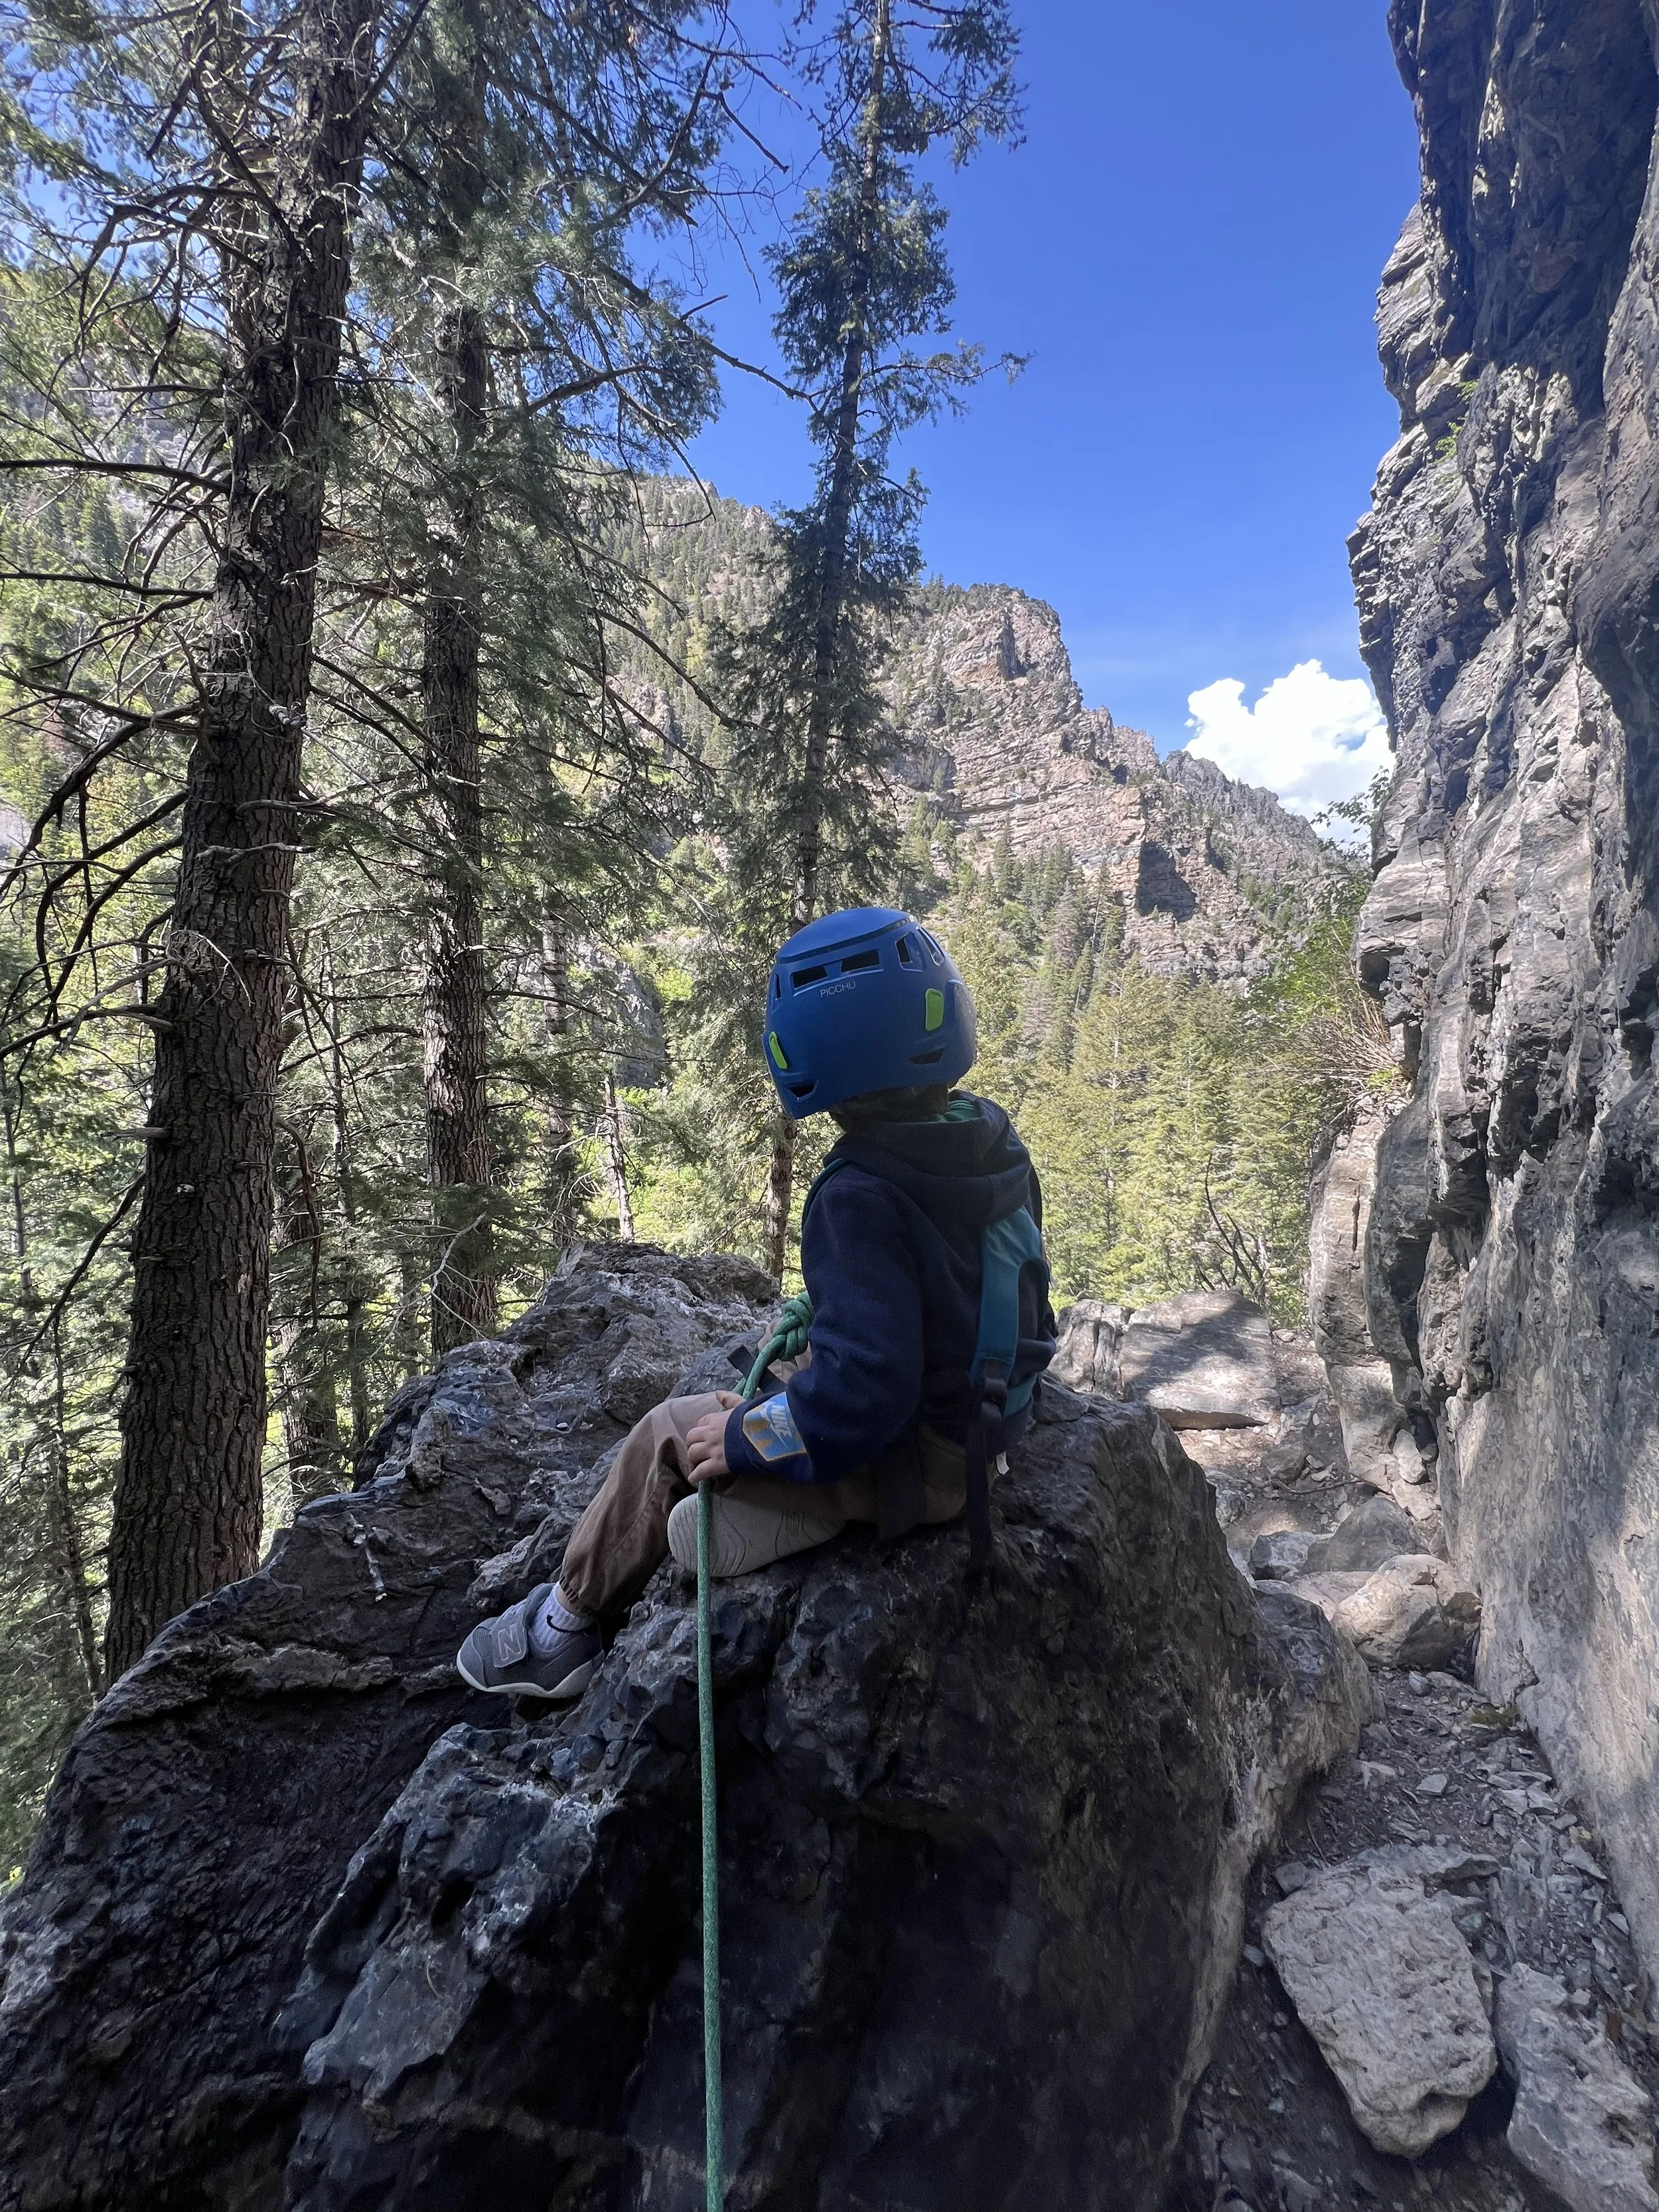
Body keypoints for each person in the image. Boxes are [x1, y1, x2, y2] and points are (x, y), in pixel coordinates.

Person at [456, 906, 1056, 1702]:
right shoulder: (987, 1137)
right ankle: (790, 1492)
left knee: (669, 1433)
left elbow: (866, 1393)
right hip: (987, 1418)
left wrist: (751, 1435)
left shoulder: (857, 1194)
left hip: (928, 1460)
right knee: (780, 1391)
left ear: (804, 1059)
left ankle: (562, 1631)